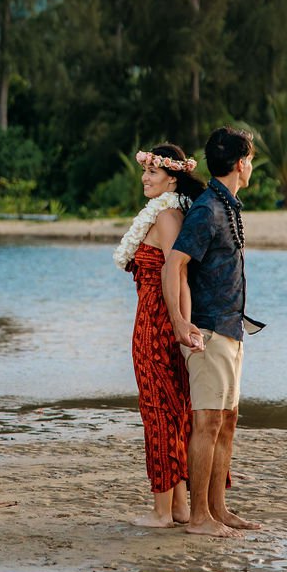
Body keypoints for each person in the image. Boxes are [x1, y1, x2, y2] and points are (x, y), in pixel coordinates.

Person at [162, 125, 263, 537]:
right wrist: (180, 323)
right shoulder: (207, 209)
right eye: (251, 160)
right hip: (207, 330)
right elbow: (174, 265)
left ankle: (218, 510)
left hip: (231, 327)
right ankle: (199, 517)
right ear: (241, 164)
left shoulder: (229, 205)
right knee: (206, 423)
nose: (251, 166)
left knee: (227, 421)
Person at [114, 143, 205, 527]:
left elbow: (178, 273)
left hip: (157, 325)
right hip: (156, 321)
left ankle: (162, 512)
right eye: (145, 171)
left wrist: (181, 324)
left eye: (152, 172)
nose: (145, 178)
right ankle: (180, 507)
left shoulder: (167, 216)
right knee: (171, 410)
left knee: (160, 413)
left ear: (172, 178)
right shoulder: (162, 214)